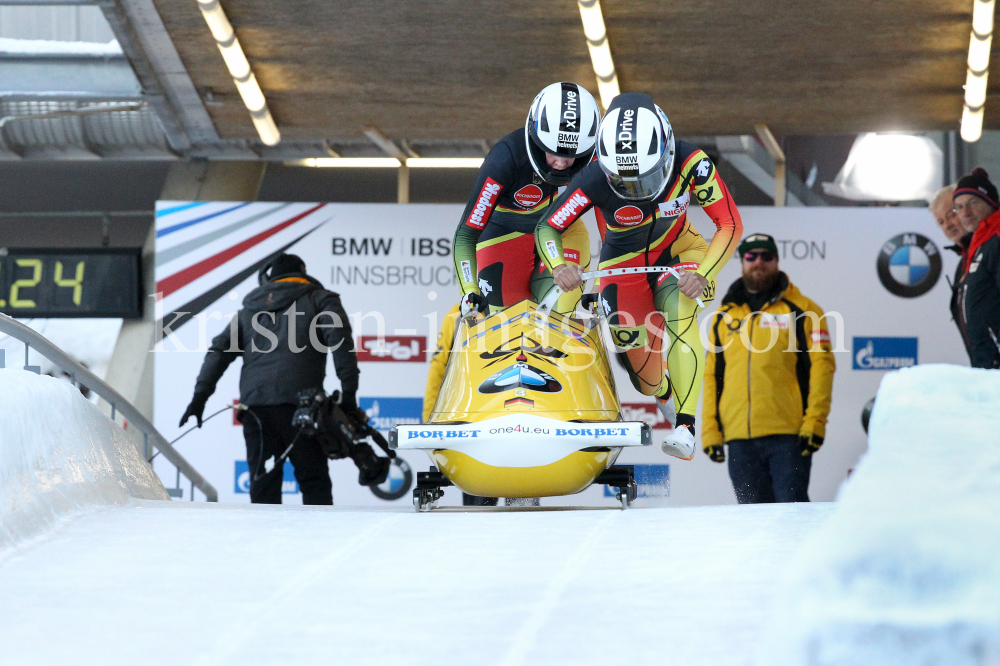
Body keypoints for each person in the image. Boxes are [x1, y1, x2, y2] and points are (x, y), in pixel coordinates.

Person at [535, 92, 743, 460]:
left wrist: (705, 272)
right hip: (623, 266)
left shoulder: (692, 161)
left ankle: (686, 425)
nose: (636, 192)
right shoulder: (594, 176)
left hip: (680, 250)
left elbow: (729, 224)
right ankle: (662, 392)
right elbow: (548, 227)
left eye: (643, 180)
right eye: (624, 182)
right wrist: (558, 265)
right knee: (644, 377)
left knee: (680, 305)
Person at [179, 253, 367, 504]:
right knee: (315, 487)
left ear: (269, 278)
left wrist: (200, 397)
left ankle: (263, 543)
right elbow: (341, 343)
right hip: (304, 411)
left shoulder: (248, 311)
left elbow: (219, 352)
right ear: (303, 273)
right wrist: (349, 395)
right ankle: (322, 543)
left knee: (263, 490)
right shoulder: (319, 299)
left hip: (256, 410)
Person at [701, 234, 835, 503]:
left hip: (789, 437)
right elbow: (713, 377)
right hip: (739, 439)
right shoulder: (722, 318)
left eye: (766, 256)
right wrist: (710, 431)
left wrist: (815, 422)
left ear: (777, 260)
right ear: (742, 262)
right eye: (751, 256)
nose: (758, 262)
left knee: (791, 517)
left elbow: (822, 368)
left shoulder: (805, 310)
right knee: (753, 523)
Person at [453, 82, 600, 318]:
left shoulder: (595, 156)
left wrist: (603, 283)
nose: (561, 164)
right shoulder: (505, 160)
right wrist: (469, 291)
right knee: (506, 327)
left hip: (563, 230)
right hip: (503, 235)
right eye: (554, 151)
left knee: (559, 313)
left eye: (572, 155)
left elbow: (609, 223)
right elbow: (466, 235)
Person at [952, 168, 1000, 369]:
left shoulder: (996, 239)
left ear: (991, 203)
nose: (965, 212)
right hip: (987, 359)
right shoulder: (981, 243)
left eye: (973, 203)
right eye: (959, 207)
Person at [931, 184, 974, 357]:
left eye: (951, 215)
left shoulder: (991, 250)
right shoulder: (962, 264)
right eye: (941, 221)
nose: (947, 225)